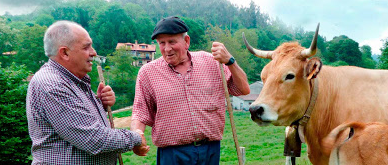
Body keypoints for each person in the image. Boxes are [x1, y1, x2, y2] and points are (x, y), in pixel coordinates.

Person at [131, 16, 250, 165]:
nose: (167, 48)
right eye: (162, 43)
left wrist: (230, 61)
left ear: (186, 41)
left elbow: (243, 89)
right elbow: (140, 112)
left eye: (172, 42)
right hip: (172, 154)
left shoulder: (212, 62)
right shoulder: (148, 73)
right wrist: (137, 136)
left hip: (210, 150)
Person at [26, 20, 150, 164]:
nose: (94, 52)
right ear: (65, 53)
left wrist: (100, 105)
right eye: (86, 47)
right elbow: (93, 139)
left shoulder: (72, 80)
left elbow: (76, 122)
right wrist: (135, 137)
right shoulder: (52, 84)